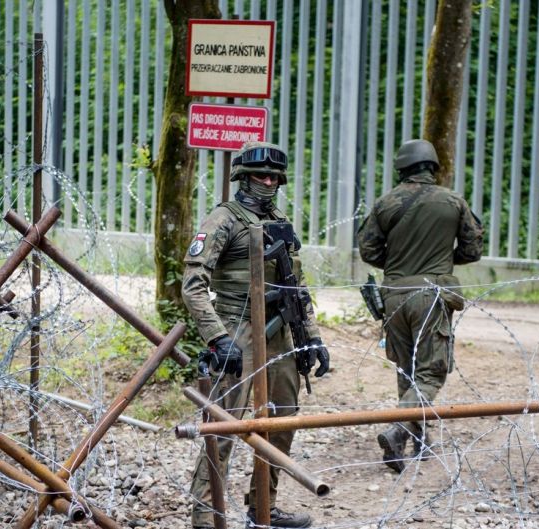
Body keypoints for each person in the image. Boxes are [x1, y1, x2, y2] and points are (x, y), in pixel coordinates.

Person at [182, 141, 330, 529]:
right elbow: (193, 285)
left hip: (281, 331)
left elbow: (297, 287)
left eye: (273, 177)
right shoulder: (223, 220)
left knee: (283, 420)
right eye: (260, 176)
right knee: (225, 426)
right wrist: (218, 337)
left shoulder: (279, 219)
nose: (268, 182)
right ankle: (206, 514)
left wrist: (311, 337)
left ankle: (263, 506)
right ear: (242, 179)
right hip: (238, 329)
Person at [356, 139, 483, 473]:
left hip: (394, 294)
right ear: (432, 167)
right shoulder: (453, 201)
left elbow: (368, 251)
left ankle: (418, 438)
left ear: (402, 168)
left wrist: (398, 261)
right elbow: (472, 249)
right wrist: (441, 259)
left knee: (406, 366)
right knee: (431, 371)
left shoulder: (386, 203)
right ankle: (400, 429)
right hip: (431, 294)